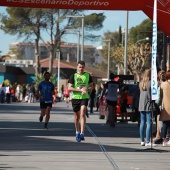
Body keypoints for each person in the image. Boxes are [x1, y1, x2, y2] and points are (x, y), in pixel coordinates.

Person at [68, 60, 93, 142]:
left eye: (82, 67)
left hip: (84, 97)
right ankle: (77, 132)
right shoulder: (73, 76)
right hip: (75, 97)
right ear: (77, 67)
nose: (81, 69)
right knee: (77, 116)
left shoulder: (88, 75)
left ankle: (82, 133)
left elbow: (92, 86)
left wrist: (87, 89)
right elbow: (69, 88)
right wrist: (79, 90)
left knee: (83, 112)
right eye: (79, 67)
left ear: (84, 67)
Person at [138, 68, 156, 147]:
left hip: (141, 104)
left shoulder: (141, 83)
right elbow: (150, 96)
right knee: (149, 123)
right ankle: (148, 140)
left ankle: (142, 140)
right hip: (148, 104)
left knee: (142, 123)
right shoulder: (150, 83)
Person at [153, 70, 165, 144]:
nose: (162, 75)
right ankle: (159, 135)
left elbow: (158, 98)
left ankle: (159, 136)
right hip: (161, 105)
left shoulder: (160, 85)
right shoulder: (159, 84)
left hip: (160, 105)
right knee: (160, 121)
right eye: (161, 74)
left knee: (160, 121)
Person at [160, 70, 170, 146]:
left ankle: (164, 139)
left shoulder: (163, 84)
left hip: (166, 106)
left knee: (165, 124)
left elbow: (160, 96)